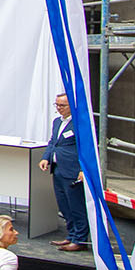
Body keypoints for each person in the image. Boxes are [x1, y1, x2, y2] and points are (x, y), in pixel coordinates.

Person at [40, 94, 88, 251]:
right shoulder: (57, 122)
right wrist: (46, 157)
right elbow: (53, 142)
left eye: (62, 105)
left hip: (72, 170)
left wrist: (83, 169)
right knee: (64, 205)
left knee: (76, 206)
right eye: (57, 105)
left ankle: (80, 239)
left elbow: (86, 148)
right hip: (58, 168)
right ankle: (71, 235)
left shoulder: (80, 123)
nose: (59, 108)